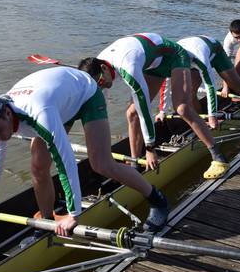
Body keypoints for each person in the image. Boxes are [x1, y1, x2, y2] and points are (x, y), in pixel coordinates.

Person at [0, 66, 169, 236]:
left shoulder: (39, 114)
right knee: (38, 167)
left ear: (7, 114)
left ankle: (157, 200)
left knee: (101, 164)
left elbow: (66, 160)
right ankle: (46, 223)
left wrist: (74, 213)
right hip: (58, 100)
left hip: (85, 94)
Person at [78, 33, 230, 180]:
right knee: (131, 113)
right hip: (152, 64)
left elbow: (144, 109)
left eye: (100, 82)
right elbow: (98, 113)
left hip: (174, 56)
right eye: (96, 85)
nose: (101, 86)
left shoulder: (128, 67)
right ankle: (134, 164)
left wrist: (150, 148)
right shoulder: (96, 71)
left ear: (104, 68)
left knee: (181, 107)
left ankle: (218, 157)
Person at [156, 35, 240, 129]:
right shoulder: (173, 59)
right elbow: (165, 83)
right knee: (191, 93)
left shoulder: (200, 58)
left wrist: (212, 115)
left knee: (238, 86)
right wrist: (162, 111)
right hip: (190, 53)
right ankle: (201, 124)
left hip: (215, 52)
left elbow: (210, 86)